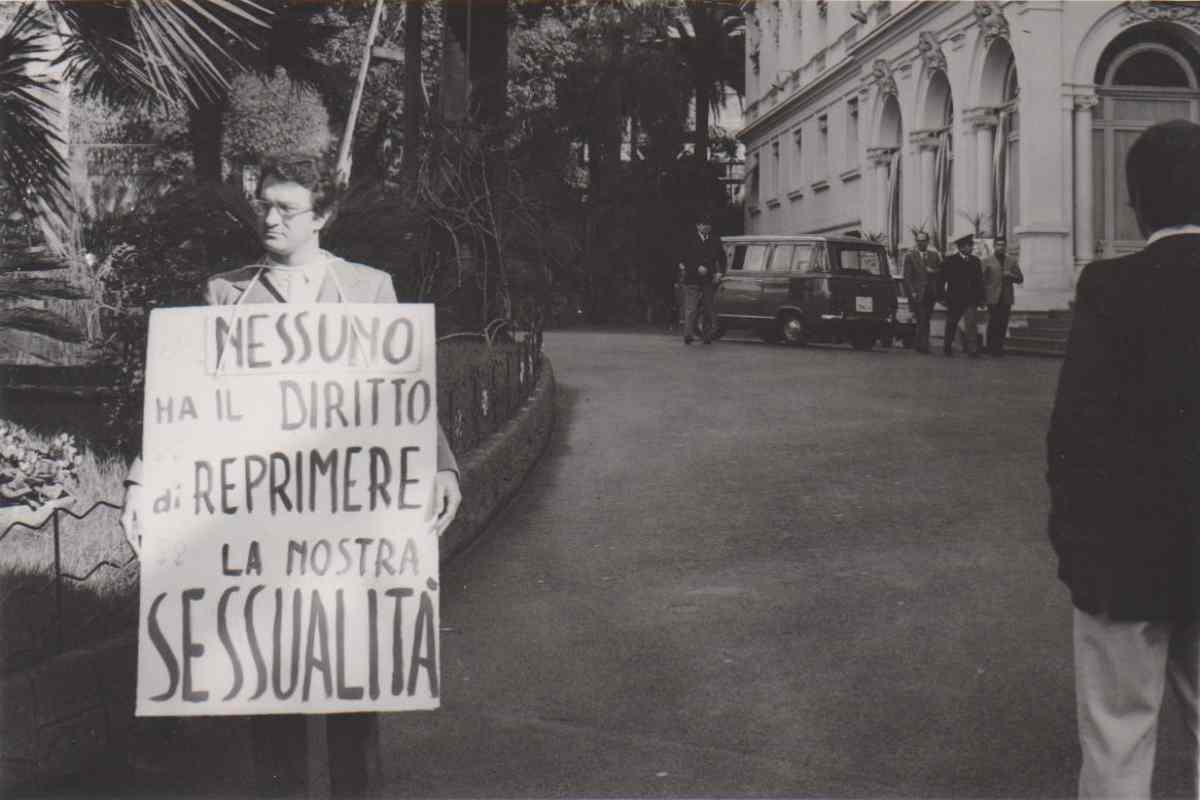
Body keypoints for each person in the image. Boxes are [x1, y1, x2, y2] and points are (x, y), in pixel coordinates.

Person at [119, 153, 463, 798]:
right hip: (262, 517)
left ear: (323, 217)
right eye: (264, 205)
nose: (269, 219)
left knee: (349, 669)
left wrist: (440, 465)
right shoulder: (227, 291)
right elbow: (187, 400)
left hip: (344, 518)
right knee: (270, 671)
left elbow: (401, 396)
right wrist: (142, 480)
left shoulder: (369, 288)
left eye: (285, 208)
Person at [1047, 119, 1200, 799]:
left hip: (1124, 562)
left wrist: (1075, 549)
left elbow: (1074, 436)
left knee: (1117, 738)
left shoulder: (1108, 287)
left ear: (1136, 202)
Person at [677, 218, 726, 345]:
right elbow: (683, 258)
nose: (706, 227)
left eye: (708, 225)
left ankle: (707, 335)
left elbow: (722, 258)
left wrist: (720, 273)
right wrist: (696, 267)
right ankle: (688, 334)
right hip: (692, 278)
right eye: (703, 225)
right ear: (698, 226)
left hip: (708, 279)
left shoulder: (715, 240)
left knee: (708, 307)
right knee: (691, 308)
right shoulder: (688, 239)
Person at [938, 229, 984, 357]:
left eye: (971, 245)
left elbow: (979, 282)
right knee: (951, 323)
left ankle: (972, 349)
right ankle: (947, 346)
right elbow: (941, 280)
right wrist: (941, 296)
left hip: (971, 299)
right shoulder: (950, 261)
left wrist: (981, 299)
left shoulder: (976, 261)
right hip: (954, 299)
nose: (971, 248)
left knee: (971, 324)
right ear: (961, 247)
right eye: (969, 246)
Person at [981, 235, 1023, 357]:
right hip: (992, 297)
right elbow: (982, 281)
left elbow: (1020, 278)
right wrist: (983, 298)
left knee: (1003, 323)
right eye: (998, 245)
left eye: (1003, 245)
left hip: (1006, 297)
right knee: (993, 322)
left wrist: (1011, 275)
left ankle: (999, 348)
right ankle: (990, 348)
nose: (1001, 247)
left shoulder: (1012, 261)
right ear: (994, 246)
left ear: (1006, 246)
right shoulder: (986, 261)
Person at [901, 230, 942, 354]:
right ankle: (923, 345)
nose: (921, 243)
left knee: (925, 318)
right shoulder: (910, 256)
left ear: (927, 241)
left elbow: (941, 272)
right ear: (916, 242)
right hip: (918, 293)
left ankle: (919, 343)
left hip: (931, 293)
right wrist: (912, 291)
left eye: (923, 240)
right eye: (918, 241)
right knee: (922, 317)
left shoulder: (934, 256)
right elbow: (907, 277)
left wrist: (933, 271)